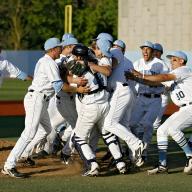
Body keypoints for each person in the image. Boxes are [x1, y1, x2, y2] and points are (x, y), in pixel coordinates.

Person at [1, 37, 89, 178]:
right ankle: (9, 165)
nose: (61, 49)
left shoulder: (46, 61)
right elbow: (59, 86)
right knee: (29, 133)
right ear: (53, 50)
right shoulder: (49, 63)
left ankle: (24, 154)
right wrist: (77, 89)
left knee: (47, 129)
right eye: (59, 47)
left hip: (41, 99)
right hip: (37, 98)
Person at [126, 51, 192, 175]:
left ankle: (190, 156)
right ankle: (162, 164)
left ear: (181, 61)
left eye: (174, 60)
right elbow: (155, 82)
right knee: (161, 130)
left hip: (190, 107)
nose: (171, 62)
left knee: (173, 129)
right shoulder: (175, 74)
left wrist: (141, 74)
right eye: (171, 60)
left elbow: (164, 77)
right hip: (184, 109)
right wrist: (136, 78)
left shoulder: (184, 69)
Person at [128, 41, 168, 161]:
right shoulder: (137, 63)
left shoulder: (160, 65)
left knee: (147, 125)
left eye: (148, 49)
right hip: (140, 98)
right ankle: (135, 149)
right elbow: (132, 81)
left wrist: (141, 78)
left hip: (154, 99)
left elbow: (162, 82)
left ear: (152, 51)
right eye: (143, 49)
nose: (145, 51)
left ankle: (143, 152)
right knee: (131, 124)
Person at [152, 43, 170, 130]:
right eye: (154, 51)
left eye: (157, 51)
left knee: (156, 120)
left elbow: (170, 80)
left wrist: (166, 86)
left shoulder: (166, 65)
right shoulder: (148, 64)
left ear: (161, 53)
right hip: (149, 94)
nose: (155, 53)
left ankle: (157, 134)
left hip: (162, 94)